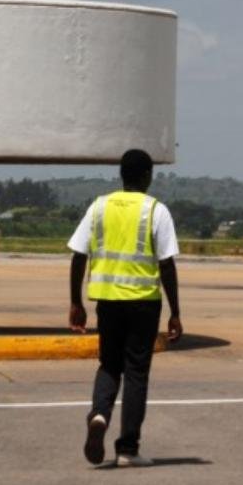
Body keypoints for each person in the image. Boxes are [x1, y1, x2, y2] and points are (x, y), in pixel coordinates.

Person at [67, 149, 183, 467]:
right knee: (135, 373)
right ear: (147, 176)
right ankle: (127, 450)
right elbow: (167, 264)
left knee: (108, 365)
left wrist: (76, 302)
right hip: (143, 303)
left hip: (107, 302)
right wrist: (176, 312)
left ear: (121, 175)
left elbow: (78, 254)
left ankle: (100, 415)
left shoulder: (99, 207)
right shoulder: (155, 210)